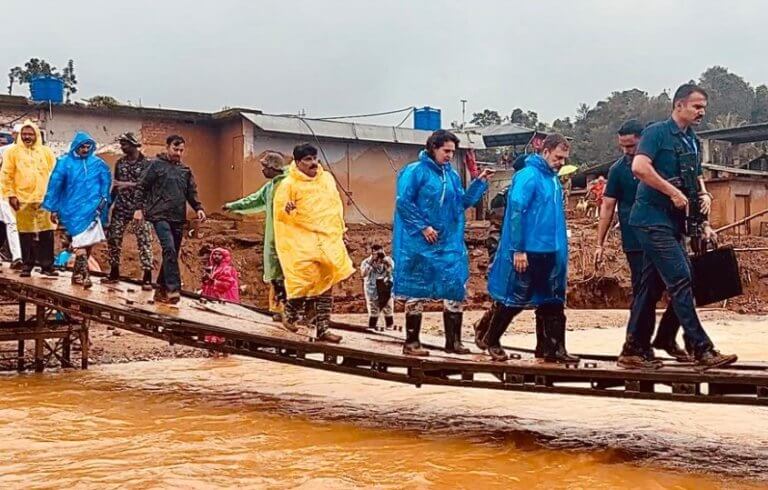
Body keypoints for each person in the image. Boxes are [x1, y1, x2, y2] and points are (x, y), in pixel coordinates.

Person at [619, 84, 737, 369]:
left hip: (675, 223)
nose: (701, 112)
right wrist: (671, 192)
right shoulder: (657, 133)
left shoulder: (692, 140)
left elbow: (695, 179)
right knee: (682, 277)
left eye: (703, 107)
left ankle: (634, 349)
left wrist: (704, 206)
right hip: (650, 220)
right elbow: (639, 168)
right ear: (679, 105)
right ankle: (701, 347)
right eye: (697, 106)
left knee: (649, 286)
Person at [595, 120, 689, 363]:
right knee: (645, 293)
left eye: (631, 145)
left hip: (666, 235)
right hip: (636, 241)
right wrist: (599, 243)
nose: (627, 151)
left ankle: (666, 337)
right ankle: (638, 346)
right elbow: (607, 207)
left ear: (642, 139)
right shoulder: (618, 170)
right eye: (623, 146)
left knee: (683, 284)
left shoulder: (659, 166)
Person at [392, 129, 492, 356]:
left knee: (454, 286)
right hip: (420, 243)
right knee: (417, 288)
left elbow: (462, 203)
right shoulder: (415, 172)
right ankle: (411, 342)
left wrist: (479, 183)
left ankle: (453, 342)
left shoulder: (453, 175)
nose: (449, 155)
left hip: (448, 242)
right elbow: (404, 203)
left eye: (452, 152)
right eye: (446, 151)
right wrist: (423, 227)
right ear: (433, 148)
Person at [481, 133, 577, 363]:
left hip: (550, 249)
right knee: (515, 297)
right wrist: (518, 249)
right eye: (558, 157)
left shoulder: (552, 179)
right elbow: (516, 213)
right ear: (545, 152)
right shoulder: (528, 176)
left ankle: (552, 348)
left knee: (552, 299)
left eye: (564, 158)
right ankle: (491, 339)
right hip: (529, 250)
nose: (561, 163)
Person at [272, 143, 353, 343]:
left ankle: (323, 329)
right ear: (298, 163)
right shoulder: (289, 184)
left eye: (315, 158)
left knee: (328, 277)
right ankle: (291, 313)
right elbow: (280, 214)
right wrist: (287, 209)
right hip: (301, 239)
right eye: (307, 159)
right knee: (304, 277)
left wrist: (341, 230)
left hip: (326, 237)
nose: (313, 163)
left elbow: (335, 207)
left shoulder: (326, 180)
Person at [135, 135, 206, 305]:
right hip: (159, 215)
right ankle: (173, 289)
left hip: (177, 217)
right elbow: (141, 187)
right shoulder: (155, 166)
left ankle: (160, 288)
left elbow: (191, 192)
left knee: (172, 251)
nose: (178, 153)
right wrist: (138, 209)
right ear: (167, 147)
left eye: (181, 150)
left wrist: (199, 208)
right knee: (169, 248)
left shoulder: (184, 171)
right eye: (176, 149)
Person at [223, 151, 288, 321]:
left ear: (274, 167)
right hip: (273, 237)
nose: (262, 170)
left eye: (264, 167)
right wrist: (234, 206)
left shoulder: (289, 185)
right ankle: (278, 308)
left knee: (288, 273)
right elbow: (254, 199)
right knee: (275, 275)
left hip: (289, 238)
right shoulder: (270, 186)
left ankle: (290, 309)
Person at [42, 131, 111, 288]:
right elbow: (55, 185)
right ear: (76, 146)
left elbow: (105, 184)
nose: (85, 149)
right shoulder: (65, 163)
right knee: (79, 243)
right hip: (72, 211)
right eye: (82, 147)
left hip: (92, 211)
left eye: (88, 147)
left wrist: (103, 203)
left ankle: (77, 275)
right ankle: (85, 276)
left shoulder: (97, 163)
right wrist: (53, 208)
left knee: (88, 244)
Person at [0, 120, 57, 277]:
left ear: (36, 135)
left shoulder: (46, 152)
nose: (27, 137)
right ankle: (27, 265)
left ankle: (47, 266)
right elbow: (6, 175)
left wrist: (54, 197)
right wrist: (10, 195)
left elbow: (55, 175)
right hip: (22, 198)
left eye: (30, 134)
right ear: (20, 135)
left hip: (44, 198)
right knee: (26, 233)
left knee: (47, 232)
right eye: (24, 134)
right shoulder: (12, 153)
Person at [102, 132, 154, 290]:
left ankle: (147, 277)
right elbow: (116, 186)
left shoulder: (146, 164)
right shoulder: (120, 163)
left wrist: (126, 184)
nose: (122, 147)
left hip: (140, 209)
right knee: (114, 239)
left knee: (144, 242)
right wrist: (109, 204)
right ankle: (114, 272)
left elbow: (148, 187)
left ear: (133, 145)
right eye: (121, 144)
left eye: (125, 144)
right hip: (121, 207)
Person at [0, 124, 22, 267]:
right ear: (14, 135)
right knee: (11, 224)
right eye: (20, 133)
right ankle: (17, 257)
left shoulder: (32, 153)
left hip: (22, 193)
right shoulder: (4, 151)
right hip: (5, 193)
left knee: (8, 225)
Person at [360, 244, 395, 330]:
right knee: (373, 307)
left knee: (388, 306)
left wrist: (385, 262)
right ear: (372, 252)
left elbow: (392, 269)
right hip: (372, 288)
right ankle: (372, 326)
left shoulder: (387, 260)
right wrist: (371, 262)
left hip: (385, 286)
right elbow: (363, 274)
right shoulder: (366, 262)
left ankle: (389, 326)